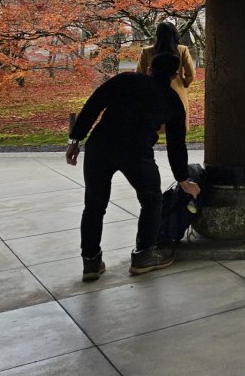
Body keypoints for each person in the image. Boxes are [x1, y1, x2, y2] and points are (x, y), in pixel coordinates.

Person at [66, 52, 199, 280]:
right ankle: (143, 255)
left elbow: (93, 105)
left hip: (101, 146)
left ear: (149, 69)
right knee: (151, 201)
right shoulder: (172, 100)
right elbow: (176, 144)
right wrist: (183, 179)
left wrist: (75, 139)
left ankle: (91, 261)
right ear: (175, 74)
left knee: (94, 205)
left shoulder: (125, 79)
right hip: (136, 152)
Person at [136, 20, 195, 124]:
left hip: (154, 92)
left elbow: (140, 74)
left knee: (153, 126)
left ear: (157, 35)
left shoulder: (147, 51)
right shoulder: (182, 50)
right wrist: (184, 83)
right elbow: (190, 74)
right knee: (176, 128)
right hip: (178, 92)